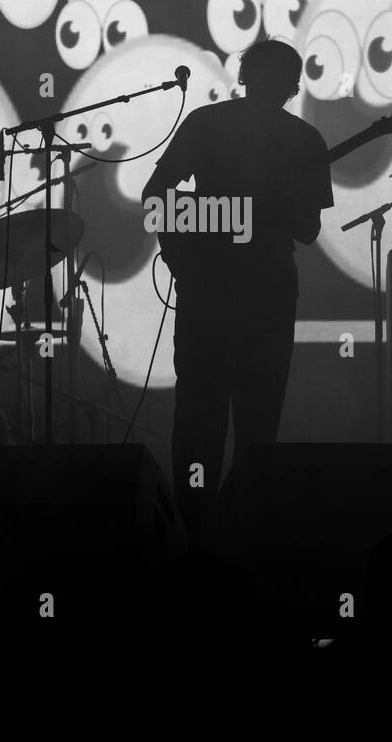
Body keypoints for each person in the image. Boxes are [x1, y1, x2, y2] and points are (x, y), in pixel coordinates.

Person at [143, 39, 334, 549]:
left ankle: (214, 536)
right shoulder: (295, 137)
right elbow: (156, 197)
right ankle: (224, 537)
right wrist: (184, 257)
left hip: (241, 292)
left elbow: (306, 228)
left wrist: (185, 257)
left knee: (216, 417)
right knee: (236, 418)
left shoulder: (220, 126)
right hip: (235, 291)